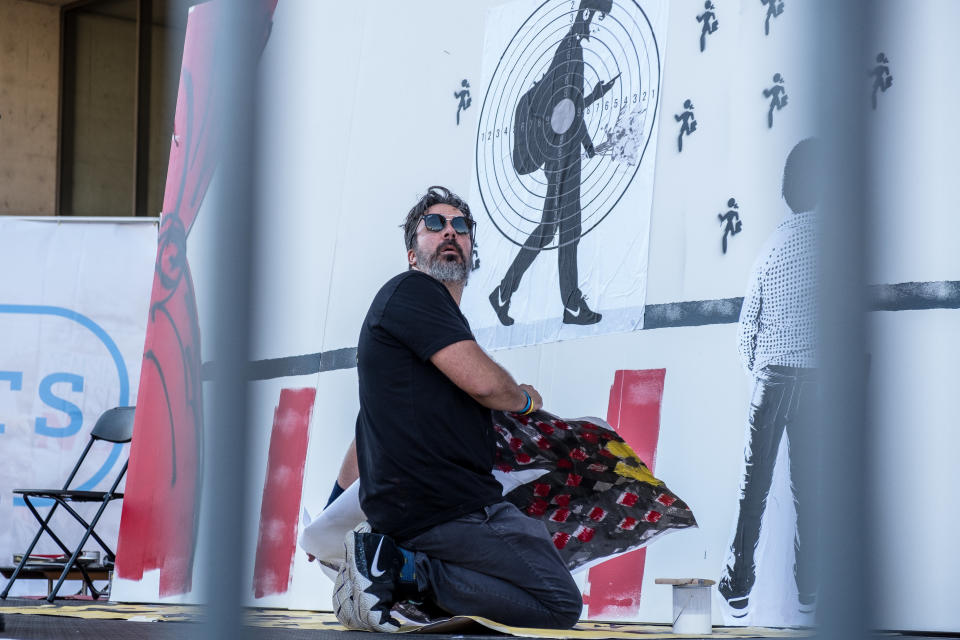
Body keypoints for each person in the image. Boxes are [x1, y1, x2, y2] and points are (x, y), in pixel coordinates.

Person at [335, 186, 583, 632]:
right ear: (412, 253)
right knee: (559, 602)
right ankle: (407, 570)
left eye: (461, 227)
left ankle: (398, 574)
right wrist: (524, 398)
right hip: (449, 510)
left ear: (471, 251)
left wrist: (334, 511)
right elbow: (488, 385)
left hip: (425, 512)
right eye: (434, 224)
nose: (450, 231)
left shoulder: (421, 321)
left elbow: (367, 424)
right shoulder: (414, 291)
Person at [718, 139, 821, 616]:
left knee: (753, 487)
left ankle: (738, 587)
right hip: (817, 379)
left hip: (771, 380)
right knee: (809, 487)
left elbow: (747, 331)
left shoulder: (771, 247)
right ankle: (810, 588)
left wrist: (757, 377)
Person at [489, 0, 618, 327]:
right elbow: (561, 107)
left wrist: (588, 143)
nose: (599, 26)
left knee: (551, 230)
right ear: (586, 14)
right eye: (599, 18)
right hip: (562, 157)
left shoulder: (572, 49)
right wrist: (575, 150)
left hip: (564, 154)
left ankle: (505, 292)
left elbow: (570, 105)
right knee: (565, 230)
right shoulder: (572, 50)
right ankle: (570, 305)